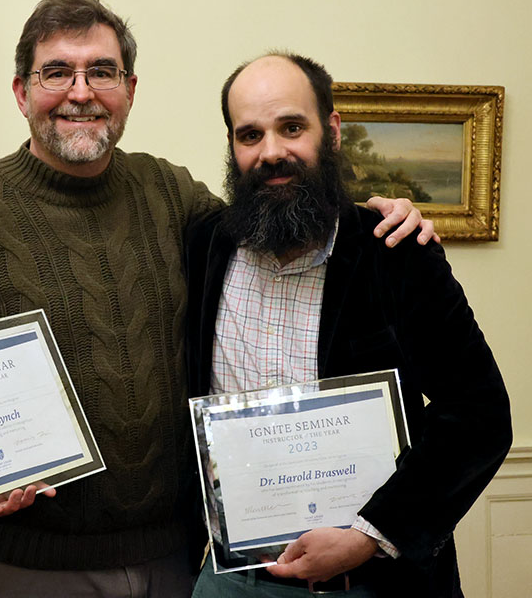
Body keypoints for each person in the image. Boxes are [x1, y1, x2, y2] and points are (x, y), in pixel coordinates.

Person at [0, 0, 433, 598]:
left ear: (130, 89)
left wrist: (374, 215)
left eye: (102, 72)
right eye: (57, 72)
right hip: (25, 565)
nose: (81, 92)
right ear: (21, 92)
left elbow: (278, 228)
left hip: (175, 558)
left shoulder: (170, 193)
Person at [184, 53, 512, 597]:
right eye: (250, 135)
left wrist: (368, 535)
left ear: (331, 131)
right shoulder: (203, 246)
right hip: (235, 577)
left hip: (376, 578)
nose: (272, 152)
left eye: (292, 127)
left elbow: (479, 415)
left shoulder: (397, 253)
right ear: (232, 146)